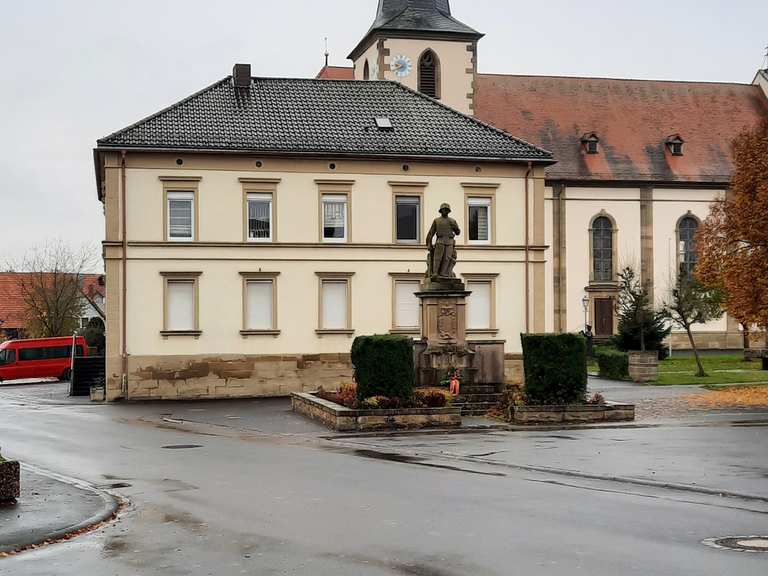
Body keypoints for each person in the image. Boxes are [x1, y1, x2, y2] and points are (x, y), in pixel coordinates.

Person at [426, 203, 460, 280]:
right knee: (438, 258)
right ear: (441, 211)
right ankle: (435, 273)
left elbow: (458, 232)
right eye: (444, 210)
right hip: (440, 241)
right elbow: (431, 233)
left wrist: (455, 227)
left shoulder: (452, 221)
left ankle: (444, 273)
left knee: (447, 258)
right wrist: (429, 244)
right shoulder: (437, 221)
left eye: (447, 210)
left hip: (449, 241)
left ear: (449, 211)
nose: (445, 211)